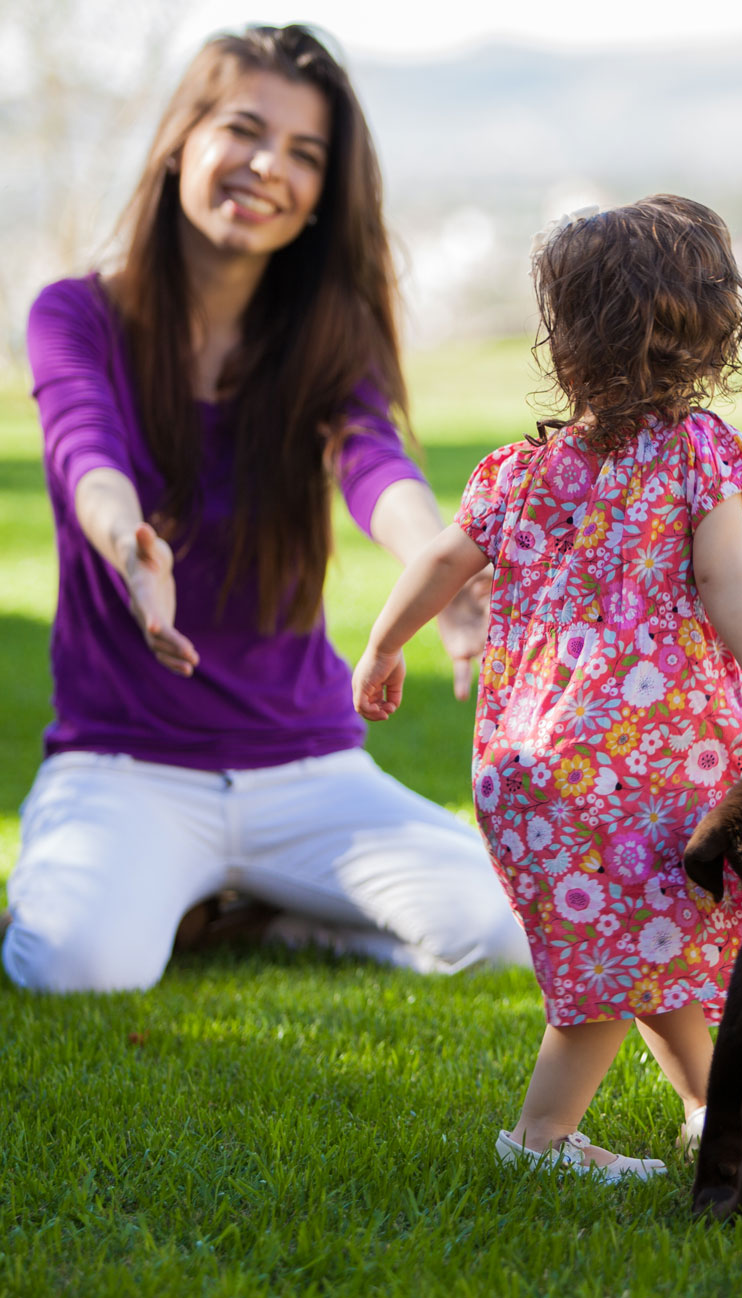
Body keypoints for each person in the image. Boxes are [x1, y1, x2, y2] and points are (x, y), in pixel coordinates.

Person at [3, 23, 529, 993]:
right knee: (71, 962)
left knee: (501, 929)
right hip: (124, 762)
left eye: (303, 154)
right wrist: (129, 544)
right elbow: (86, 449)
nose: (266, 167)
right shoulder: (75, 314)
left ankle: (276, 917)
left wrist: (446, 566)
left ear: (325, 192)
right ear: (181, 139)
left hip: (307, 767)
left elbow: (374, 466)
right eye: (244, 130)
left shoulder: (330, 338)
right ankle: (184, 892)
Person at [353, 195, 742, 1178]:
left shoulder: (519, 472)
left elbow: (443, 562)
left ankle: (711, 1107)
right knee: (617, 966)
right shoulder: (702, 453)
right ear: (706, 327)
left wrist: (380, 647)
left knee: (645, 940)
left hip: (533, 765)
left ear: (564, 337)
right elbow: (723, 578)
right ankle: (539, 1140)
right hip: (652, 762)